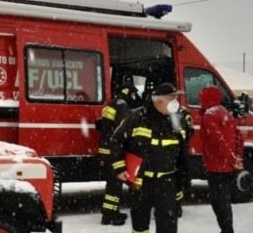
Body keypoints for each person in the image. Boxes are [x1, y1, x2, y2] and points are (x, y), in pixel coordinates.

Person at [109, 83, 189, 233]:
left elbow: (183, 149)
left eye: (177, 98)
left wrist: (182, 178)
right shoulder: (136, 117)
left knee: (168, 226)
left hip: (167, 182)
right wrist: (119, 168)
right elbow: (116, 141)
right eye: (172, 98)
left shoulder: (178, 119)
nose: (176, 102)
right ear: (158, 100)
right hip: (141, 182)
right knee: (140, 226)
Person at [198, 85, 244, 233]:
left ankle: (227, 230)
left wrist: (231, 158)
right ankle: (226, 229)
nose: (200, 100)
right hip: (226, 167)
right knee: (223, 200)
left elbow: (217, 140)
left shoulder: (210, 114)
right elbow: (238, 137)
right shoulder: (225, 112)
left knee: (218, 202)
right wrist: (237, 157)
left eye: (202, 97)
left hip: (216, 166)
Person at [97, 83, 142, 225]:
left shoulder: (113, 103)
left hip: (107, 150)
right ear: (129, 93)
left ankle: (108, 212)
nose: (135, 97)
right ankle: (110, 215)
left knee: (112, 184)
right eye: (134, 94)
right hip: (115, 152)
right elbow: (125, 128)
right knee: (115, 185)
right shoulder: (123, 106)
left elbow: (104, 126)